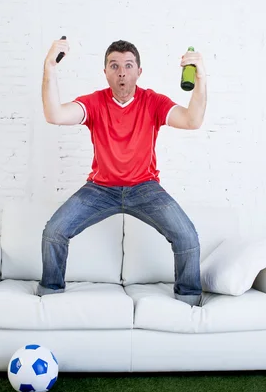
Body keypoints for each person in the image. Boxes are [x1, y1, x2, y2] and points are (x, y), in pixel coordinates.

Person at [39, 39, 207, 306]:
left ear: (138, 72)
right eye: (114, 66)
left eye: (128, 66)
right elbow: (55, 115)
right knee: (54, 232)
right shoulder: (94, 103)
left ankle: (188, 303)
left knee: (187, 236)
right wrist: (49, 66)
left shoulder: (152, 101)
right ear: (105, 72)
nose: (121, 72)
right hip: (100, 189)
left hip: (145, 188)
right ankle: (49, 297)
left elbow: (192, 120)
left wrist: (200, 77)